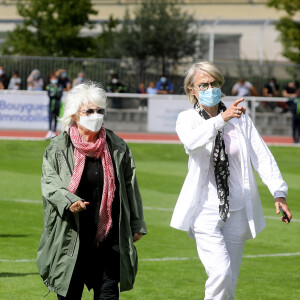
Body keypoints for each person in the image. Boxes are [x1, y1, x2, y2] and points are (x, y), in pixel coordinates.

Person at [170, 61, 292, 300]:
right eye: (203, 84)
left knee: (229, 281)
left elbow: (262, 156)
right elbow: (192, 142)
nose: (210, 88)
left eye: (214, 83)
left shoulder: (241, 118)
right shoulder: (187, 119)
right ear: (191, 90)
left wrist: (279, 192)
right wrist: (222, 119)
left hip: (237, 209)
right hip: (205, 210)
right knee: (221, 273)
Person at [37, 82, 147, 300]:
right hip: (71, 238)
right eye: (89, 111)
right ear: (75, 115)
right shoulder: (58, 147)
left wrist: (136, 223)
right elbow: (50, 184)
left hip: (108, 239)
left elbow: (129, 186)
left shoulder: (117, 146)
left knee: (108, 294)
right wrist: (69, 201)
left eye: (100, 111)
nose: (95, 115)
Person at [45, 74, 64, 139]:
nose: (54, 80)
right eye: (53, 79)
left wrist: (54, 95)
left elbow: (60, 96)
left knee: (56, 119)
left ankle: (54, 132)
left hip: (58, 105)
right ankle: (49, 131)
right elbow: (49, 95)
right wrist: (55, 95)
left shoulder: (60, 86)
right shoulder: (49, 86)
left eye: (55, 78)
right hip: (51, 105)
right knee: (50, 118)